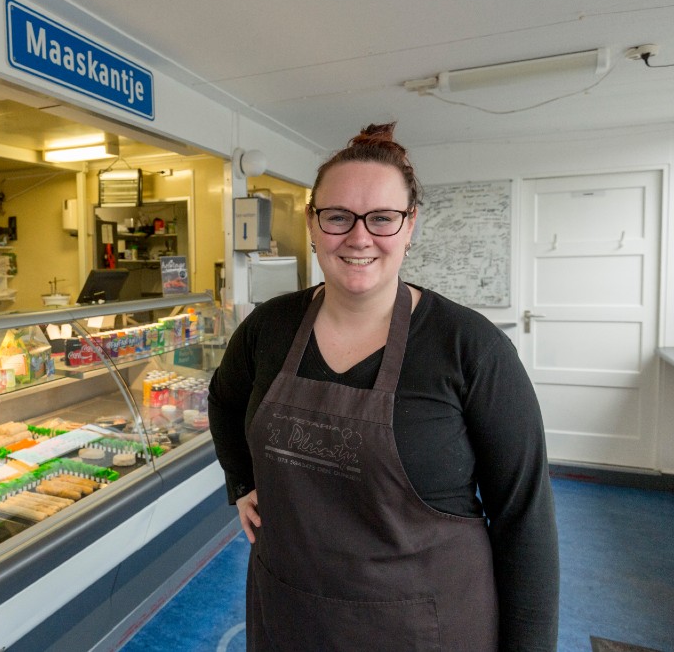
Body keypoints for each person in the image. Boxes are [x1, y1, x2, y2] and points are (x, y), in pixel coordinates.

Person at [208, 123, 559, 651]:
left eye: (382, 218)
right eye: (337, 216)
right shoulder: (270, 327)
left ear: (410, 225)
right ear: (312, 222)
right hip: (291, 613)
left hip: (424, 625)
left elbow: (524, 516)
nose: (358, 236)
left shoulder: (469, 347)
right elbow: (224, 398)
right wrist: (241, 481)